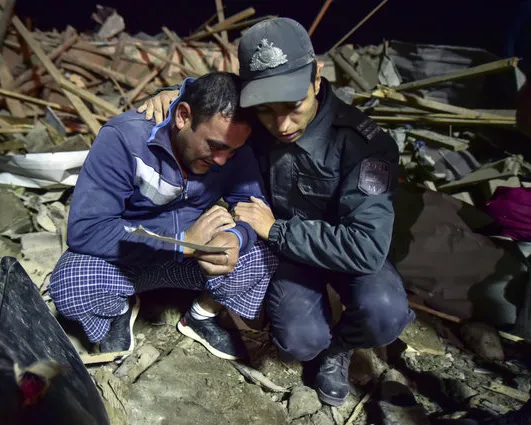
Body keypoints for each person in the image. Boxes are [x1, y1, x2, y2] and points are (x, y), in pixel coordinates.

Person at [138, 17, 415, 406]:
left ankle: (340, 349)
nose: (281, 124)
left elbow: (367, 247)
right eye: (266, 109)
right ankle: (318, 344)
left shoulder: (365, 144)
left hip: (345, 251)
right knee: (300, 342)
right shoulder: (256, 117)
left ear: (316, 79)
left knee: (384, 312)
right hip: (290, 257)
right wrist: (174, 96)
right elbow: (212, 99)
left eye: (294, 104)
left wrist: (275, 231)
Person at [49, 72, 279, 362]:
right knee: (68, 283)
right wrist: (178, 243)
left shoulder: (233, 148)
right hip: (131, 258)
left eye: (232, 151)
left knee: (266, 253)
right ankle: (119, 310)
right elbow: (86, 230)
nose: (222, 160)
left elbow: (254, 207)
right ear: (183, 116)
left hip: (196, 259)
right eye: (215, 146)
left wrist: (235, 237)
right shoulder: (124, 139)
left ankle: (200, 315)